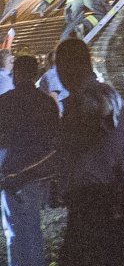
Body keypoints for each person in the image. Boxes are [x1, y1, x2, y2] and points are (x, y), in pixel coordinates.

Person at [55, 38, 124, 265]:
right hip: (92, 197)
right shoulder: (89, 97)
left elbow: (96, 121)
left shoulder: (100, 95)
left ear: (72, 66)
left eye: (60, 67)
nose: (59, 75)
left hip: (99, 198)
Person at [0, 55, 59, 266]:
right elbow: (55, 138)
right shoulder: (47, 103)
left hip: (14, 171)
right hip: (40, 172)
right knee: (32, 225)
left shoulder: (6, 101)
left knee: (15, 230)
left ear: (17, 73)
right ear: (35, 74)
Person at [37, 51, 68, 116]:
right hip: (61, 111)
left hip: (57, 112)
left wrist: (58, 116)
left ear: (48, 61)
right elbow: (54, 95)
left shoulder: (52, 73)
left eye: (45, 59)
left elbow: (54, 95)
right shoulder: (57, 73)